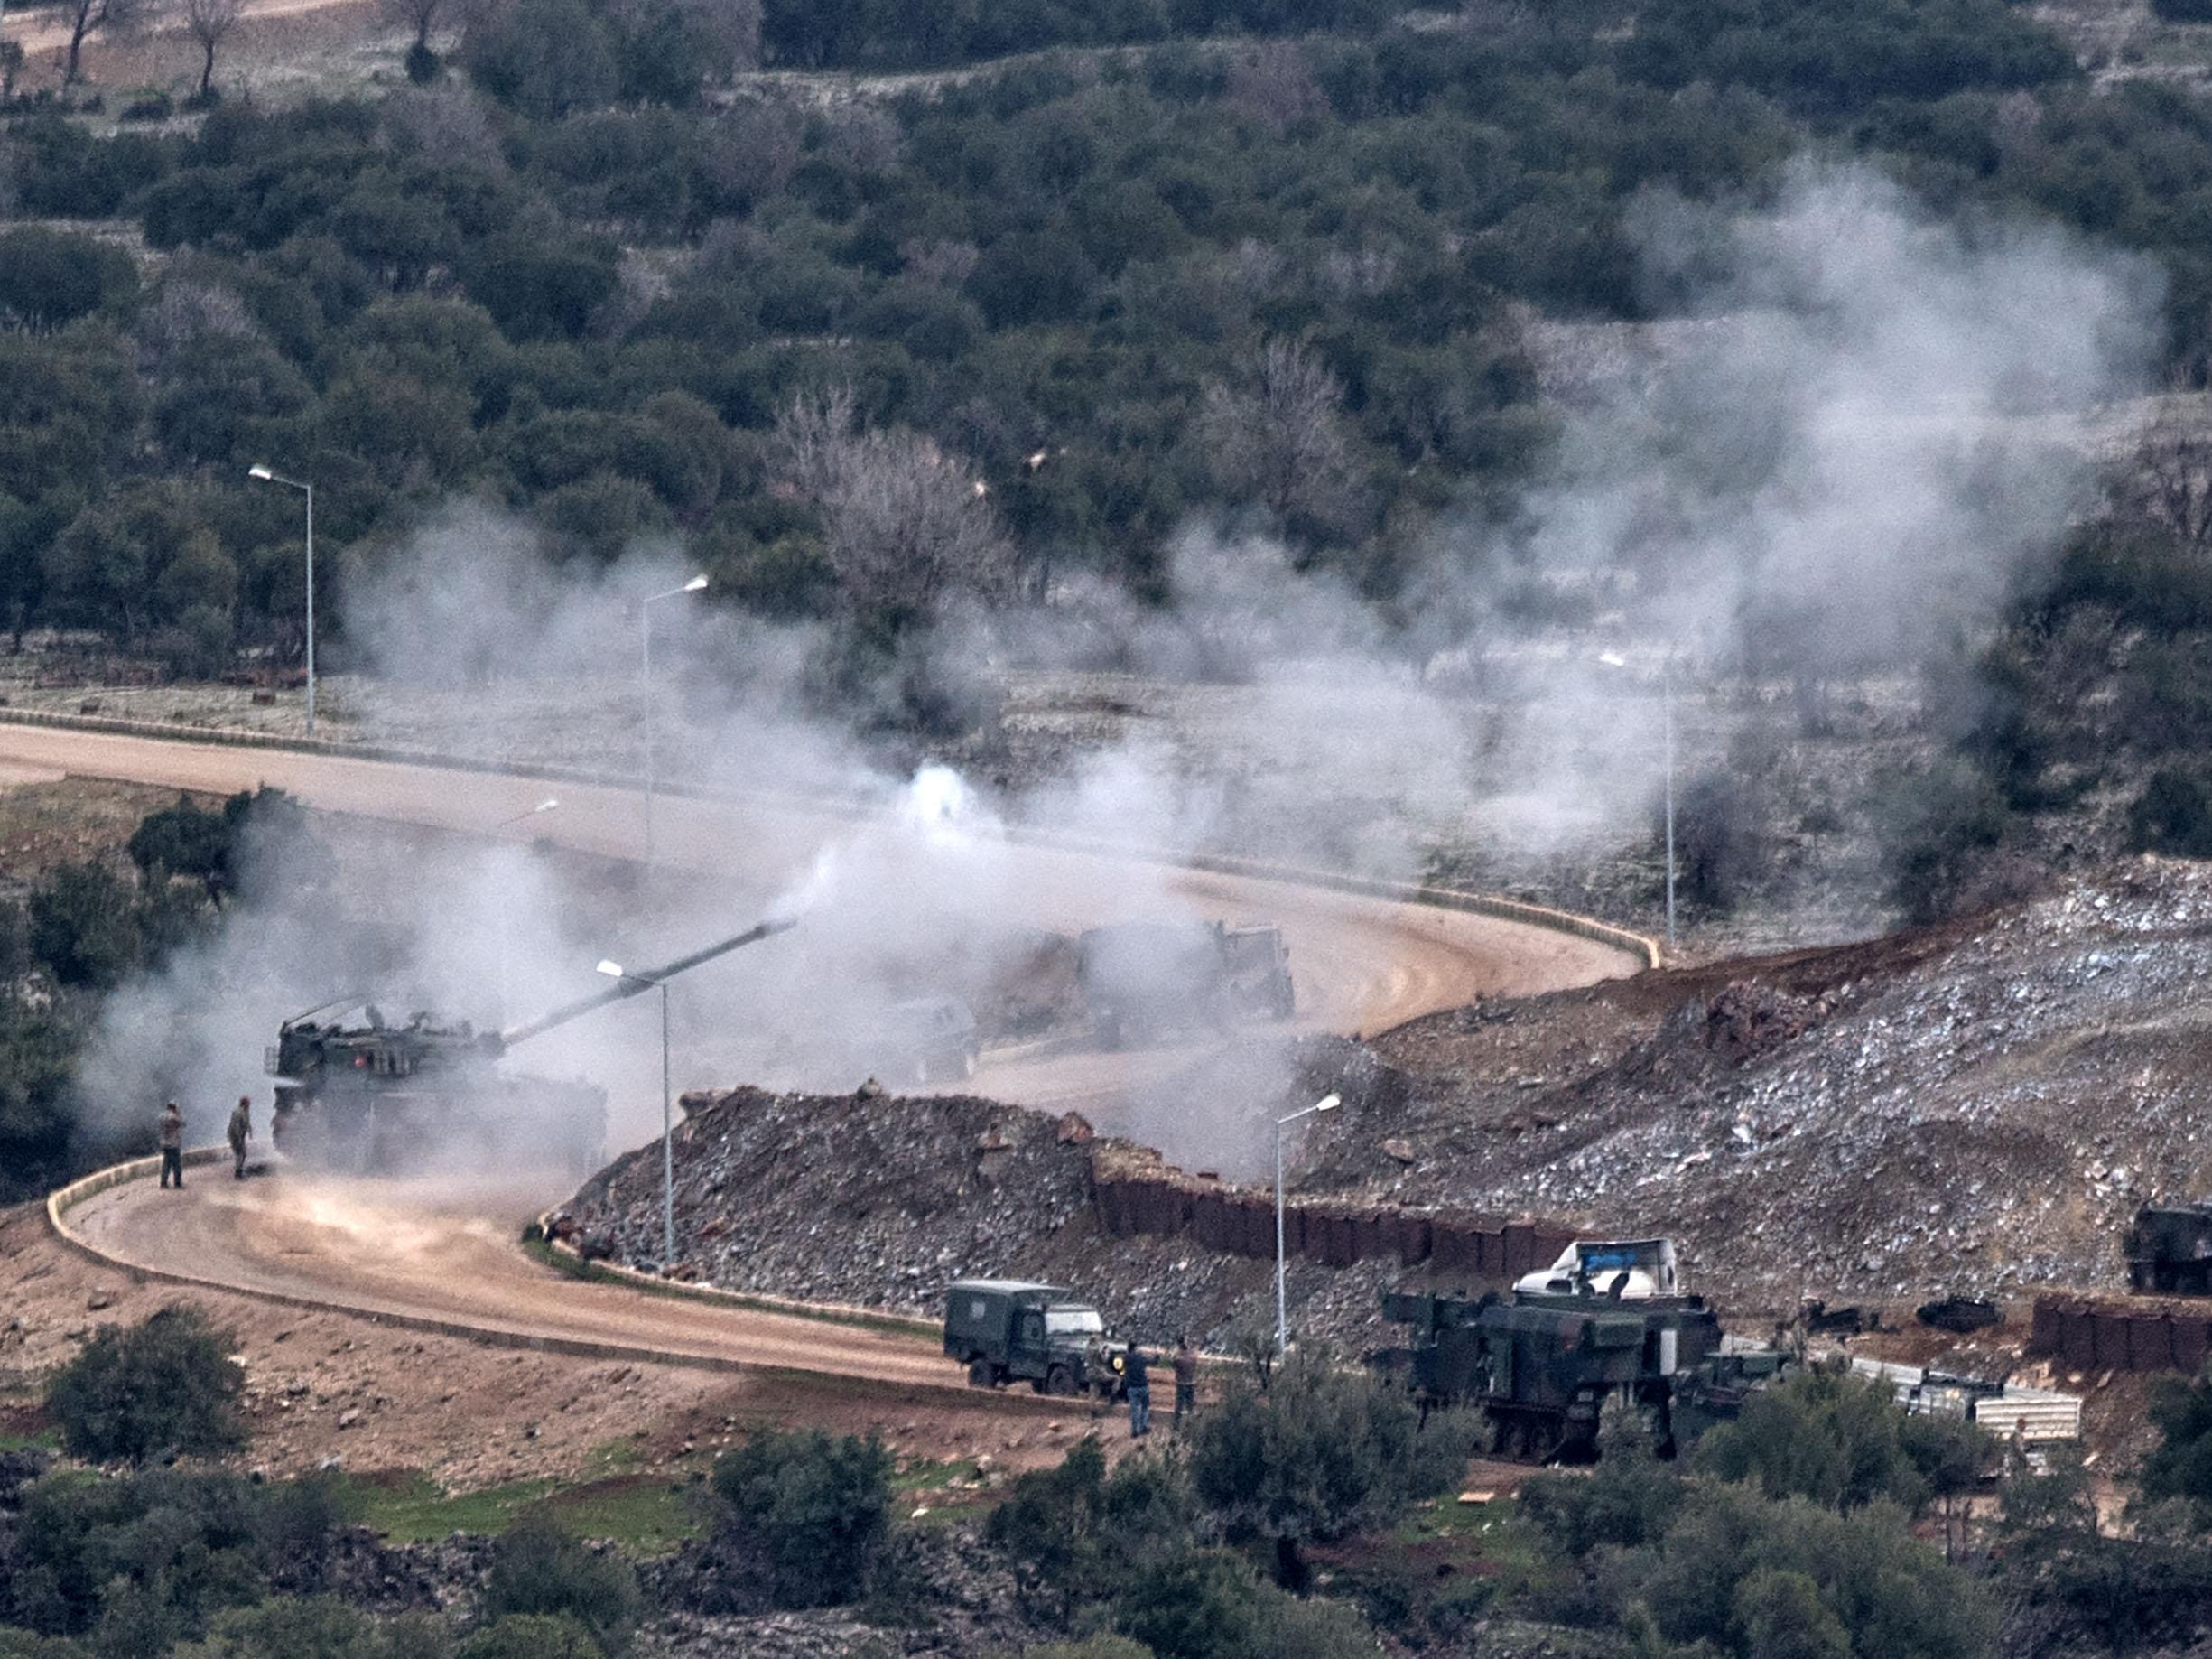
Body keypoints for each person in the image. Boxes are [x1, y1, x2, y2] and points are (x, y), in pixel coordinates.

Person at [1125, 1341, 1151, 1439]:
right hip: (1143, 1386)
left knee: (1134, 1409)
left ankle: (1134, 1431)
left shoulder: (1126, 1358)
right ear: (1135, 1348)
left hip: (1132, 1387)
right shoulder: (1141, 1358)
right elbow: (1153, 1361)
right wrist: (1156, 1353)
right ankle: (1143, 1427)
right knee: (1145, 1407)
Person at [157, 1101, 185, 1189]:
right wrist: (178, 1114)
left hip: (164, 1143)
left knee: (166, 1164)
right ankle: (177, 1184)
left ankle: (163, 1183)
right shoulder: (174, 1117)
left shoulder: (161, 1116)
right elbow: (183, 1123)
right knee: (177, 1165)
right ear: (174, 1108)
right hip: (173, 1144)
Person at [1173, 1334, 1199, 1426]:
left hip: (1181, 1383)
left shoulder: (1178, 1359)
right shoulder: (1193, 1358)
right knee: (1190, 1406)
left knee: (1179, 1406)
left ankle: (1176, 1425)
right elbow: (1194, 1354)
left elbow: (1174, 1362)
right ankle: (1191, 1425)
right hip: (1191, 1383)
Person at [227, 1095, 253, 1180]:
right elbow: (235, 1126)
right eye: (248, 1103)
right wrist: (238, 1139)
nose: (249, 1104)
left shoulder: (246, 1112)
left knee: (243, 1153)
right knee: (239, 1154)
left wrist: (250, 1131)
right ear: (244, 1104)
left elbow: (247, 1122)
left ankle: (239, 1170)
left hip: (241, 1136)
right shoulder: (238, 1113)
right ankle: (238, 1173)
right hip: (235, 1136)